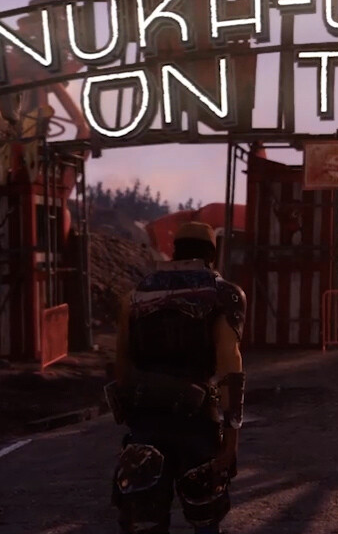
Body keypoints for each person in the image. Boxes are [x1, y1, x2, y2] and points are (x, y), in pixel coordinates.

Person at [108, 222, 246, 534]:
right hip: (197, 422)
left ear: (175, 251)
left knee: (144, 520)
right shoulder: (223, 294)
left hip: (145, 422)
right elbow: (230, 365)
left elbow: (122, 365)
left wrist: (133, 420)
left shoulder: (136, 295)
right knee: (205, 520)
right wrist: (231, 439)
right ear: (212, 254)